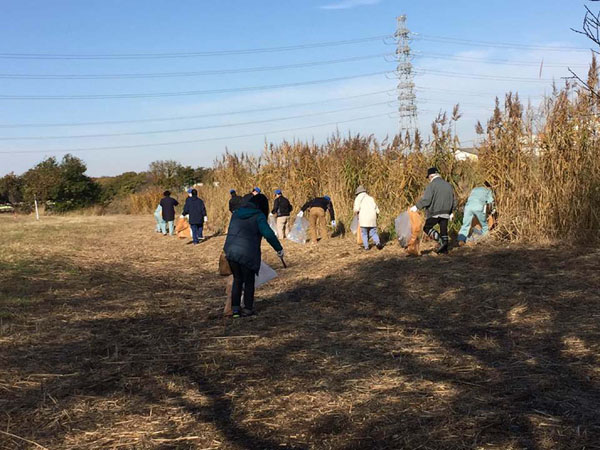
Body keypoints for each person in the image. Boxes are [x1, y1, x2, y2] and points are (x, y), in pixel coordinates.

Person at [224, 195, 284, 318]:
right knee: (249, 281)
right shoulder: (258, 215)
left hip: (230, 252)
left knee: (237, 279)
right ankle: (247, 309)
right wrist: (279, 249)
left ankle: (235, 310)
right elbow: (268, 234)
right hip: (247, 253)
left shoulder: (236, 213)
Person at [410, 167, 457, 254]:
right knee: (444, 229)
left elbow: (427, 200)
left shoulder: (431, 185)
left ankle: (441, 241)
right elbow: (454, 199)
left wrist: (416, 207)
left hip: (435, 212)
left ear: (431, 176)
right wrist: (452, 211)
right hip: (447, 212)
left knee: (427, 228)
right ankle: (444, 250)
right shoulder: (448, 185)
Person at [353, 185, 382, 250]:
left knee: (364, 233)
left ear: (358, 193)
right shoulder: (370, 198)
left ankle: (366, 247)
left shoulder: (358, 198)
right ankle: (378, 243)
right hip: (372, 218)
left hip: (363, 218)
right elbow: (377, 210)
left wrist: (356, 215)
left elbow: (356, 209)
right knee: (373, 232)